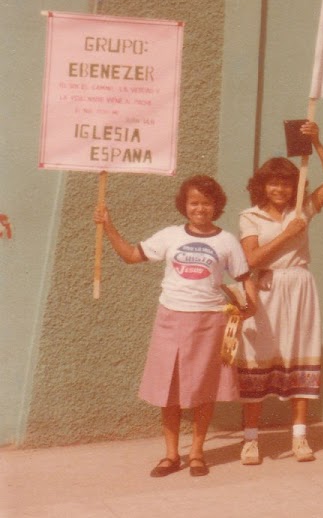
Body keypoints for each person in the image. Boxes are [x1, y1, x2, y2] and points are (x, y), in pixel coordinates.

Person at [95, 175, 260, 477]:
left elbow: (244, 277)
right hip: (170, 319)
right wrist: (107, 226)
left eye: (206, 203)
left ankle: (197, 453)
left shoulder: (226, 241)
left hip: (211, 321)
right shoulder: (170, 235)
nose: (200, 208)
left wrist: (252, 305)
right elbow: (132, 255)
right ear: (184, 205)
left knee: (204, 389)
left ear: (216, 205)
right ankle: (171, 455)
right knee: (168, 390)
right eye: (194, 202)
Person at [236, 120, 323, 465]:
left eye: (285, 182)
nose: (279, 188)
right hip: (265, 290)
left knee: (300, 356)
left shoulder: (303, 208)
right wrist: (287, 234)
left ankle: (299, 437)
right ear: (263, 186)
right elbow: (252, 258)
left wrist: (319, 142)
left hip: (299, 287)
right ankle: (251, 440)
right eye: (273, 182)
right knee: (256, 361)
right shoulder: (249, 216)